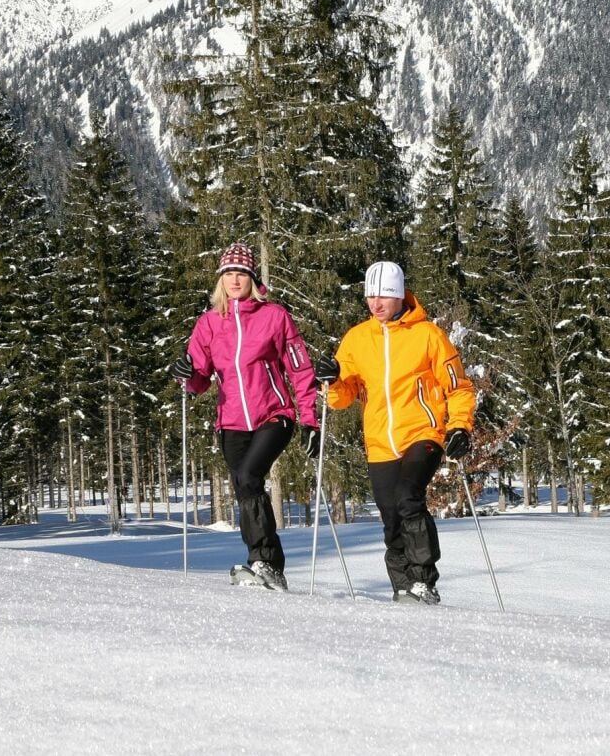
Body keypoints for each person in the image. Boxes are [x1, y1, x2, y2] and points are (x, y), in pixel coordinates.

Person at [313, 260, 475, 605]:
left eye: (384, 295)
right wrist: (331, 379)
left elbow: (458, 387)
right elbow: (341, 399)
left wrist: (460, 426)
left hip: (423, 431)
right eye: (371, 295)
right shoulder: (357, 338)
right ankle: (403, 588)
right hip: (379, 442)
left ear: (401, 295)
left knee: (408, 497)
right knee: (391, 519)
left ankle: (423, 581)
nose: (377, 303)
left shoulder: (428, 335)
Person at [170, 242, 320, 591]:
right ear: (220, 281)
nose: (234, 280)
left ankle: (264, 561)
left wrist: (310, 419)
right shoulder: (208, 324)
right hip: (231, 421)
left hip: (274, 414)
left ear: (252, 278)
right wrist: (185, 374)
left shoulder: (275, 316)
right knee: (244, 487)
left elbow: (300, 370)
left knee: (250, 476)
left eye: (241, 273)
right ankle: (267, 565)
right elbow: (199, 380)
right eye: (228, 274)